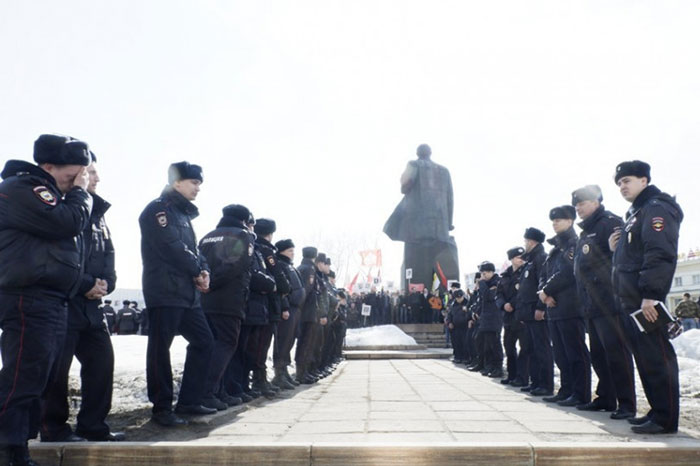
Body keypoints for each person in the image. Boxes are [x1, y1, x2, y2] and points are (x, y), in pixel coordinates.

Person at [0, 134, 92, 466]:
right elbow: (66, 222)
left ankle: (17, 448)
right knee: (22, 377)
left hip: (51, 298)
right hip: (29, 296)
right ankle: (7, 451)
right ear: (48, 166)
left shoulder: (52, 194)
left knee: (38, 378)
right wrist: (81, 193)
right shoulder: (24, 188)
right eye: (74, 173)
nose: (79, 180)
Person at [40, 150, 124, 443]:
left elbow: (108, 255)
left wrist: (106, 284)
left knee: (101, 363)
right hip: (64, 300)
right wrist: (85, 283)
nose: (96, 177)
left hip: (92, 305)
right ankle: (53, 429)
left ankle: (93, 425)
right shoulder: (60, 208)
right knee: (57, 370)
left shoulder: (98, 212)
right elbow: (55, 257)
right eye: (90, 172)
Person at [139, 161, 215, 427]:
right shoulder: (158, 210)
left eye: (199, 184)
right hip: (164, 291)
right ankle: (161, 408)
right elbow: (170, 246)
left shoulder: (184, 216)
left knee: (205, 342)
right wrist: (197, 270)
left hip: (187, 294)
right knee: (160, 350)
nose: (198, 189)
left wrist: (204, 270)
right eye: (194, 183)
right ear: (177, 182)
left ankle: (189, 401)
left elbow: (194, 250)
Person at [610, 160, 683, 434]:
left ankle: (666, 419)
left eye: (627, 180)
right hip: (633, 300)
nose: (622, 187)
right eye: (619, 183)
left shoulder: (656, 208)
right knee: (645, 359)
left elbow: (660, 253)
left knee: (657, 357)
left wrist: (652, 296)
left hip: (646, 301)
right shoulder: (636, 213)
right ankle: (657, 411)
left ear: (644, 180)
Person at [572, 184, 636, 420]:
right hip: (591, 304)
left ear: (596, 202)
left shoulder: (610, 222)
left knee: (617, 354)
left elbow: (620, 257)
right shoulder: (586, 231)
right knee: (599, 355)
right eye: (576, 205)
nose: (578, 208)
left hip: (610, 303)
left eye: (582, 203)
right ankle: (606, 398)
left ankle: (627, 403)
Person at [198, 204, 253, 410]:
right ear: (244, 220)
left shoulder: (207, 236)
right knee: (226, 344)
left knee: (211, 345)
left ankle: (218, 392)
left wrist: (207, 283)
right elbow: (236, 265)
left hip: (205, 298)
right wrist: (214, 281)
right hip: (229, 299)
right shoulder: (242, 235)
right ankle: (208, 393)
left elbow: (199, 263)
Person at [539, 205, 591, 407]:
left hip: (570, 306)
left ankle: (581, 393)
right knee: (561, 354)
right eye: (553, 221)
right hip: (553, 308)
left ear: (570, 221)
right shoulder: (555, 249)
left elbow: (567, 272)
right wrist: (544, 294)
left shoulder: (573, 244)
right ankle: (566, 389)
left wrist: (547, 290)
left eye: (559, 220)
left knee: (575, 353)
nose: (554, 224)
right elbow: (544, 275)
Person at [516, 227, 553, 397]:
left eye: (526, 241)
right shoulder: (530, 261)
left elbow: (542, 285)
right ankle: (536, 382)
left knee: (542, 349)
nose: (525, 244)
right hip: (529, 313)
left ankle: (546, 384)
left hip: (536, 312)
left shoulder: (541, 259)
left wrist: (540, 307)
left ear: (531, 242)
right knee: (532, 349)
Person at [272, 239, 305, 388]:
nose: (293, 253)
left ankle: (284, 371)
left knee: (289, 341)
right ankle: (279, 373)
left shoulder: (289, 266)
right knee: (283, 340)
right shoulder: (279, 265)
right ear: (282, 251)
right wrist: (284, 307)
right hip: (287, 308)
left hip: (295, 308)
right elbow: (281, 289)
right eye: (290, 250)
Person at [496, 247, 527, 386]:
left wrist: (512, 304)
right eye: (518, 257)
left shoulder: (525, 272)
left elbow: (524, 293)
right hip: (508, 317)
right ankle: (512, 375)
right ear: (512, 259)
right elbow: (499, 295)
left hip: (520, 315)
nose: (521, 259)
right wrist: (503, 305)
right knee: (509, 348)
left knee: (524, 348)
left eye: (522, 256)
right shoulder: (505, 276)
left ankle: (523, 377)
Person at [475, 262, 503, 378]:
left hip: (494, 318)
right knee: (486, 345)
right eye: (481, 273)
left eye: (484, 273)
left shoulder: (497, 282)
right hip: (485, 318)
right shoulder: (486, 284)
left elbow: (489, 296)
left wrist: (481, 284)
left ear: (491, 272)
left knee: (495, 345)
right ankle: (488, 366)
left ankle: (498, 368)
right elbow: (482, 300)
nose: (483, 276)